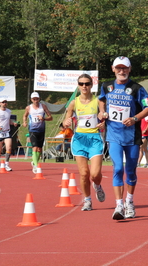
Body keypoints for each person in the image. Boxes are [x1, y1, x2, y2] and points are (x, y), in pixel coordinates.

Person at [98, 56, 148, 220]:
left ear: (129, 69)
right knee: (117, 169)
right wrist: (102, 112)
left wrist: (135, 118)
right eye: (118, 68)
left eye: (125, 68)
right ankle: (119, 205)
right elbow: (101, 100)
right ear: (113, 69)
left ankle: (129, 201)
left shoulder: (137, 88)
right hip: (113, 135)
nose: (121, 71)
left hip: (132, 136)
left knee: (130, 171)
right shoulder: (106, 86)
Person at [63, 74, 105, 211]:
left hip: (94, 139)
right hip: (80, 139)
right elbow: (65, 121)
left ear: (91, 85)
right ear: (78, 85)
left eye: (87, 83)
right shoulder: (74, 102)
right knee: (83, 174)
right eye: (81, 84)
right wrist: (66, 122)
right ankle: (87, 200)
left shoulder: (98, 101)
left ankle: (97, 185)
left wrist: (103, 122)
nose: (84, 86)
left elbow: (104, 117)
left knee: (94, 174)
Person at [22, 92, 53, 173]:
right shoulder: (28, 108)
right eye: (34, 99)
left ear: (39, 99)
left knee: (39, 149)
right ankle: (35, 166)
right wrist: (24, 122)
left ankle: (34, 162)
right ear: (31, 99)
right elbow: (24, 115)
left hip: (41, 130)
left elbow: (51, 117)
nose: (35, 100)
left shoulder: (43, 106)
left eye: (37, 99)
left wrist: (44, 118)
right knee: (35, 147)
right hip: (32, 130)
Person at [0, 99, 18, 172]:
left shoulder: (8, 111)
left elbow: (8, 120)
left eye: (5, 102)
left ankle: (7, 164)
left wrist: (13, 123)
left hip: (7, 132)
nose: (4, 103)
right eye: (3, 102)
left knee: (9, 148)